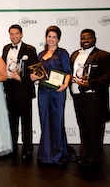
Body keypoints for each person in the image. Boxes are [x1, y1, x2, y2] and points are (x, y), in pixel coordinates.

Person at [30, 26, 71, 165]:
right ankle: (46, 153)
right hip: (43, 91)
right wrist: (33, 77)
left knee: (56, 121)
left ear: (58, 39)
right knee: (44, 121)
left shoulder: (62, 53)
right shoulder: (41, 54)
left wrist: (65, 85)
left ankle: (58, 155)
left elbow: (67, 72)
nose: (51, 39)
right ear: (46, 38)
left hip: (57, 92)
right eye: (49, 36)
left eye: (54, 37)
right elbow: (38, 73)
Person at [69, 29, 110, 166]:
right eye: (83, 38)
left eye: (88, 38)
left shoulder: (103, 56)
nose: (85, 41)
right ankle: (85, 154)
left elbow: (108, 77)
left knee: (94, 129)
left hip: (94, 98)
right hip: (78, 97)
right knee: (83, 127)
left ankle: (94, 158)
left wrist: (89, 83)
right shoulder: (75, 54)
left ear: (95, 39)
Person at [2, 24, 38, 160]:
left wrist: (21, 77)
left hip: (24, 89)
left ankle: (27, 147)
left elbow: (33, 70)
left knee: (26, 121)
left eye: (16, 33)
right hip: (9, 89)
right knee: (12, 119)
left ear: (21, 34)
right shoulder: (6, 48)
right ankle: (12, 146)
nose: (14, 36)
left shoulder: (30, 49)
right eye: (11, 34)